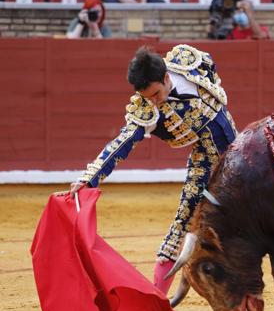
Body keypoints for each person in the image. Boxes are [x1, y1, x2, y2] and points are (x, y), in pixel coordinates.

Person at [61, 44, 237, 298]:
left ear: (166, 77)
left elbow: (212, 70)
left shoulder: (189, 62)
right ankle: (158, 299)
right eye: (147, 97)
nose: (154, 100)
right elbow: (120, 144)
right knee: (181, 224)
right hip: (204, 162)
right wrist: (89, 178)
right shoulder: (146, 111)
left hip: (240, 149)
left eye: (155, 93)